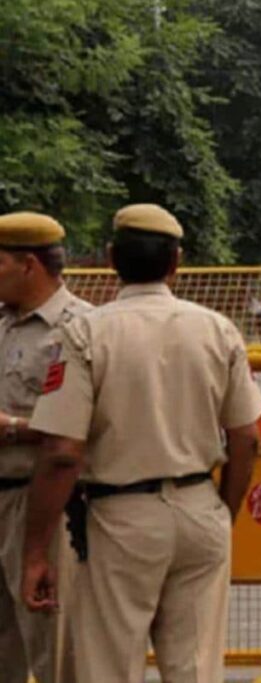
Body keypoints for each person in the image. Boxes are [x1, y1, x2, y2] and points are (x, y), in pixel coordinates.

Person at [21, 204, 261, 683]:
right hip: (200, 508)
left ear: (111, 258)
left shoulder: (85, 332)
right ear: (176, 262)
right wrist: (222, 513)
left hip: (118, 519)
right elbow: (247, 438)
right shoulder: (217, 329)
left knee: (107, 665)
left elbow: (62, 454)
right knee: (195, 668)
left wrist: (35, 550)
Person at [0, 212, 89, 683]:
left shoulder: (79, 330)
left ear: (28, 265)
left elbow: (80, 428)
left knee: (53, 649)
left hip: (39, 503)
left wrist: (12, 428)